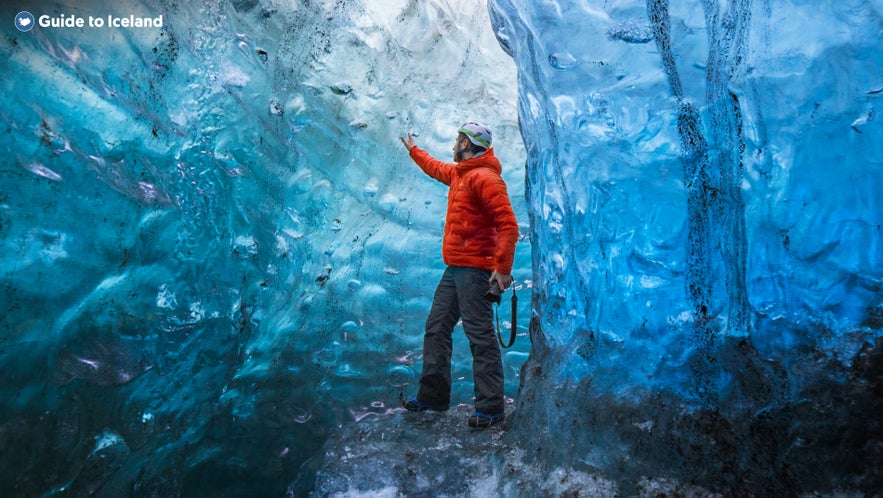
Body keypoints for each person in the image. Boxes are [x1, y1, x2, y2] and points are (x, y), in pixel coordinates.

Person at [399, 122, 518, 428]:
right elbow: (435, 167)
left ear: (466, 143)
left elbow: (508, 225)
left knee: (479, 336)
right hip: (455, 269)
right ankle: (433, 398)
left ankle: (491, 408)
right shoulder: (460, 174)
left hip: (476, 271)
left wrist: (502, 269)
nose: (454, 145)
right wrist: (414, 151)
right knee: (437, 327)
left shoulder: (485, 178)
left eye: (457, 140)